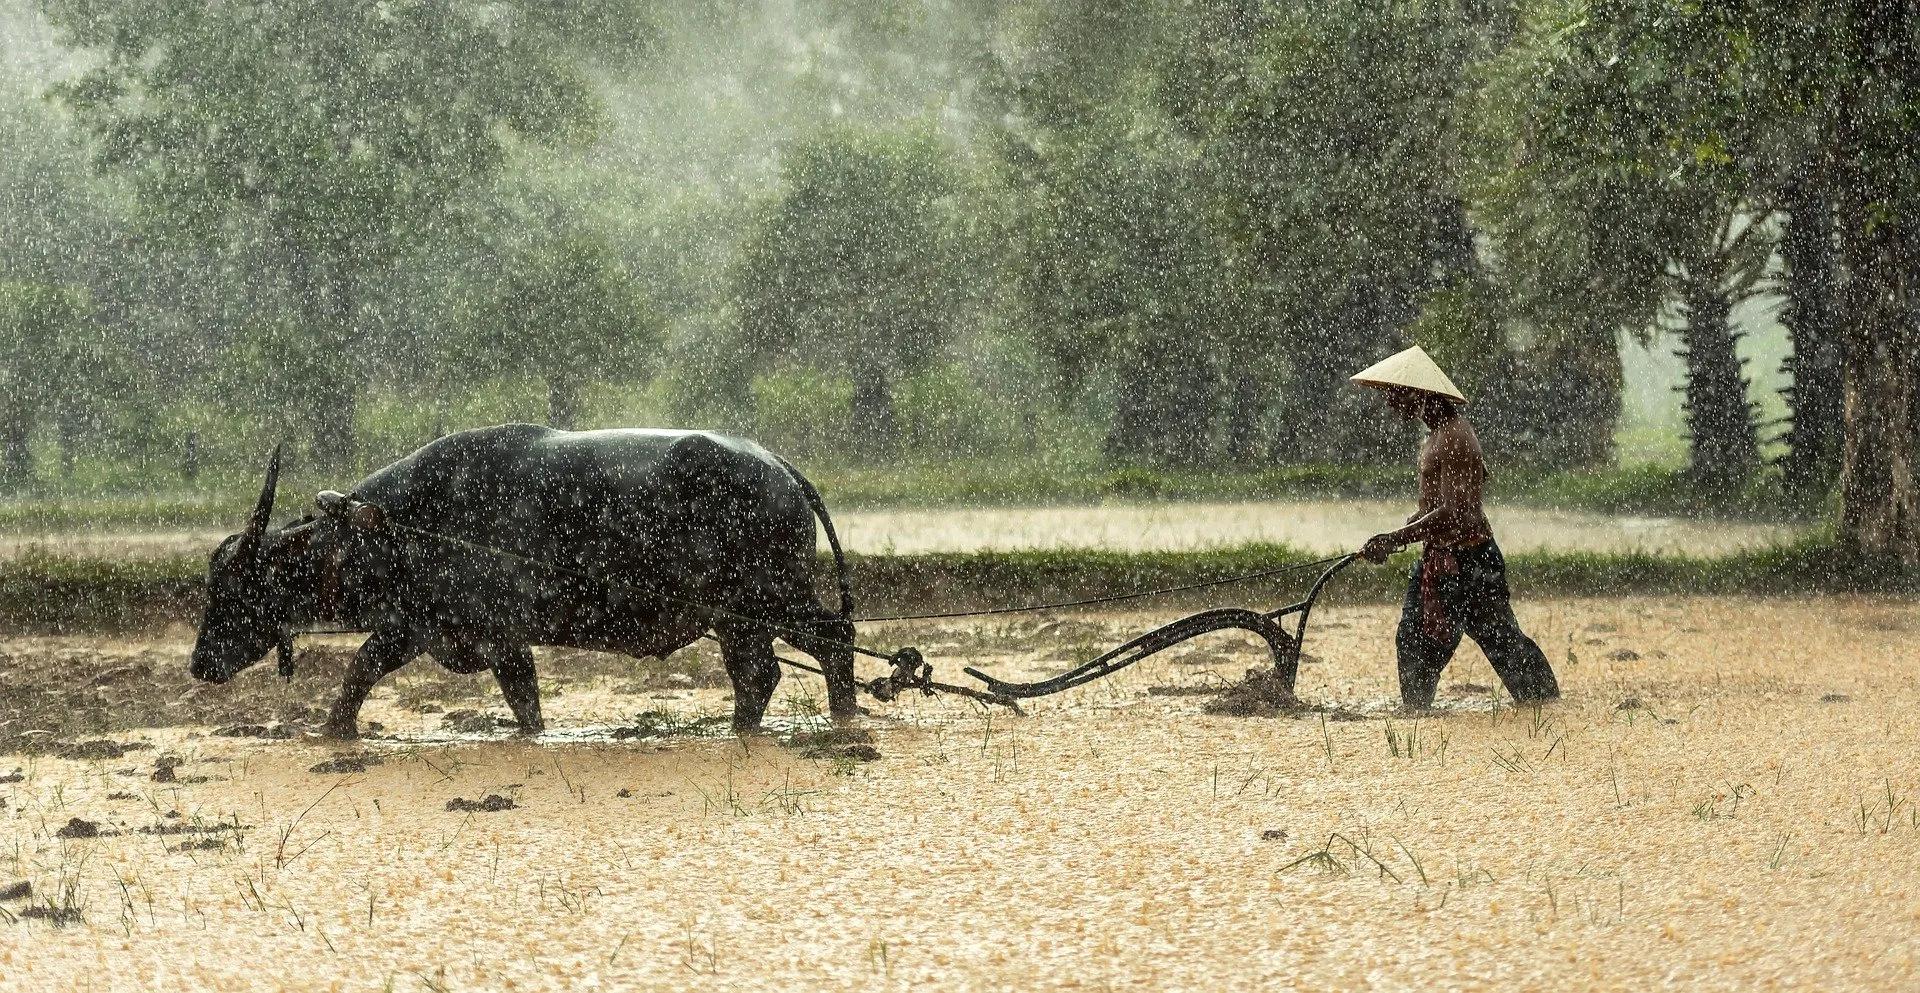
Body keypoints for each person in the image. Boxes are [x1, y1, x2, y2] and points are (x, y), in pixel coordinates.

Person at [1350, 346, 1560, 710]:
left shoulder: (1455, 437)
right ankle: (1420, 714)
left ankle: (1545, 705)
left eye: (1393, 394)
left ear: (1417, 393)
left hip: (1468, 561)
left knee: (1491, 640)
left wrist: (1395, 538)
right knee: (1437, 640)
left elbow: (1455, 513)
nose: (1389, 403)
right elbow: (1436, 509)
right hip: (1447, 559)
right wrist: (1408, 528)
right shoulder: (1435, 436)